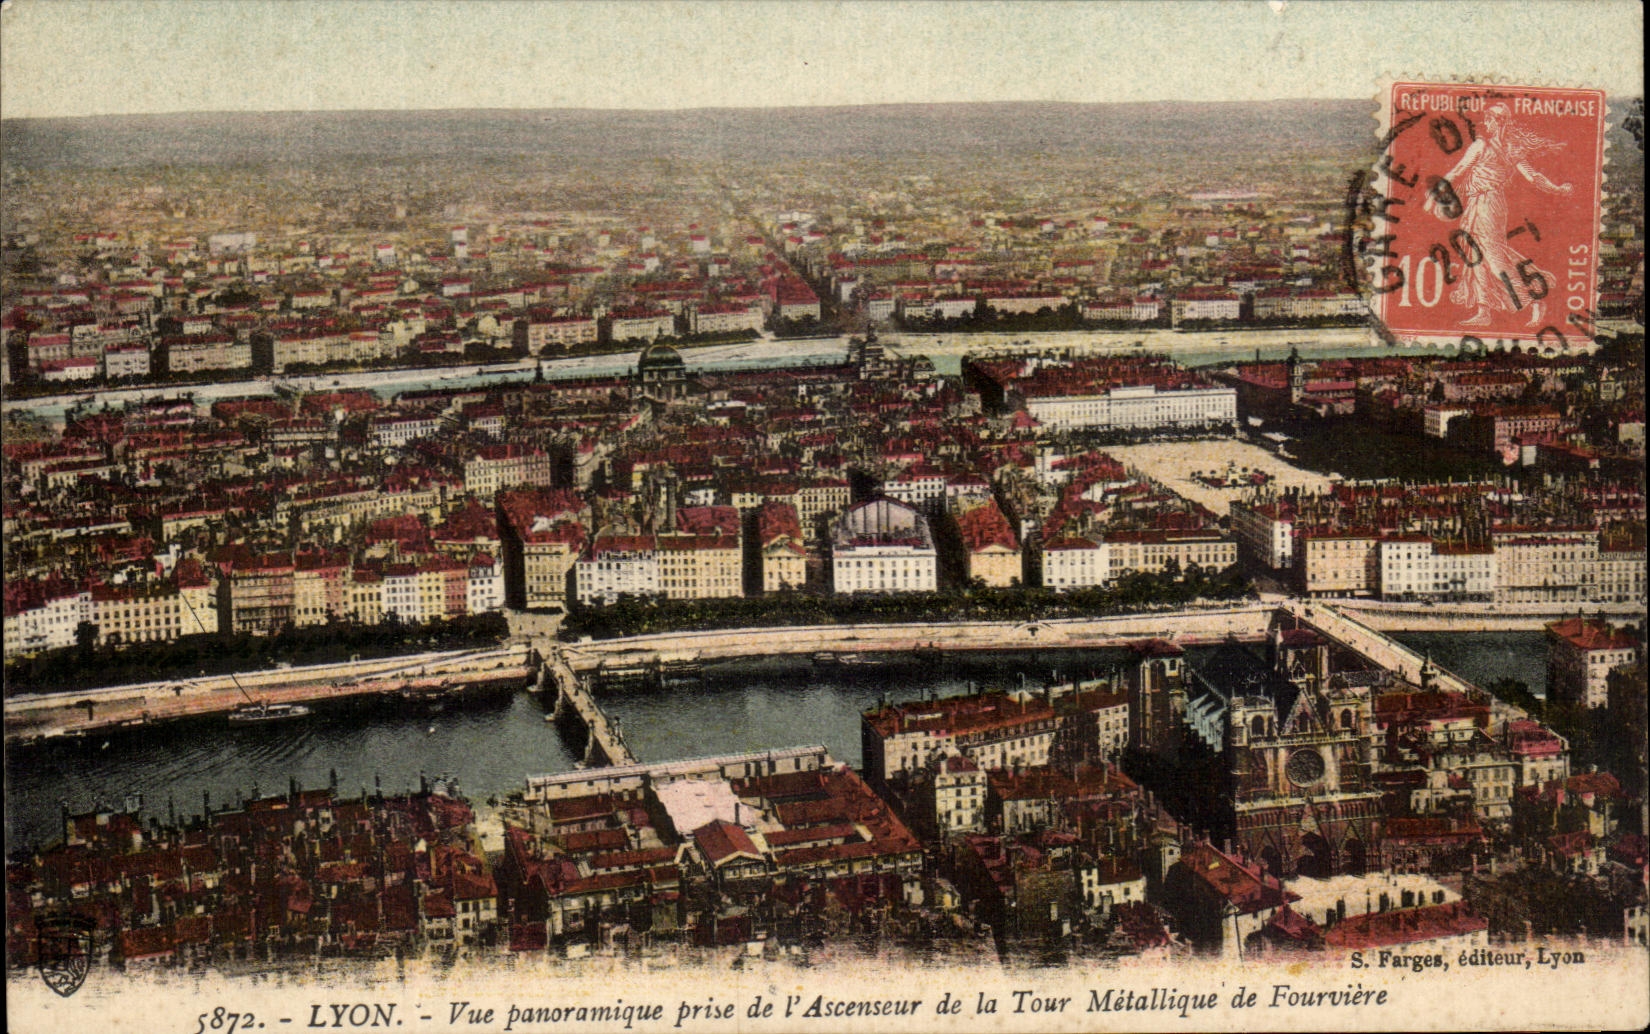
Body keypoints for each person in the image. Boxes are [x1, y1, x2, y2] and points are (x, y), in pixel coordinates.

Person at [1423, 102, 1573, 328]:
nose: (1486, 124)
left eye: (1490, 121)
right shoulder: (1491, 147)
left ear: (1499, 123)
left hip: (1489, 205)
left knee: (1494, 260)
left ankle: (1533, 299)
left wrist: (1557, 189)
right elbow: (1459, 172)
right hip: (1477, 203)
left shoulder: (1493, 148)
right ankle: (1484, 312)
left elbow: (1531, 176)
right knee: (1475, 259)